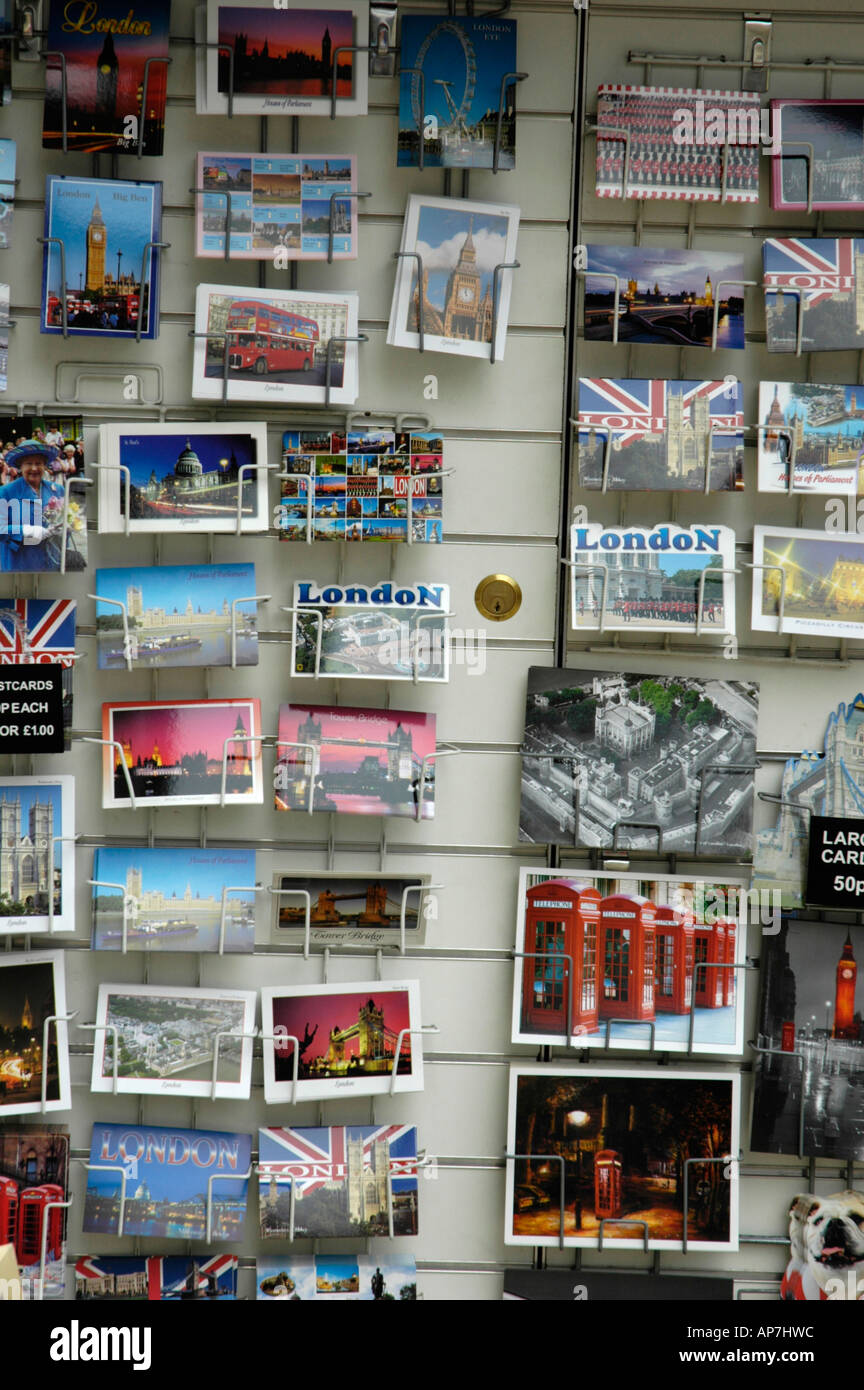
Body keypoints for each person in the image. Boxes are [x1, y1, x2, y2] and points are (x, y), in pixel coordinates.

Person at [0, 439, 64, 571]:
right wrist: (27, 531)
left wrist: (65, 529)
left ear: (45, 465)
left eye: (38, 463)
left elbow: (66, 521)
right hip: (19, 562)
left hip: (50, 561)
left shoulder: (58, 490)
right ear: (20, 466)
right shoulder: (6, 492)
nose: (34, 468)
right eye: (28, 463)